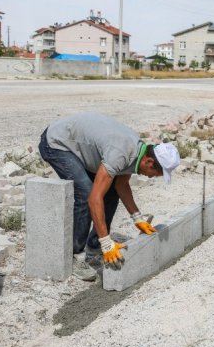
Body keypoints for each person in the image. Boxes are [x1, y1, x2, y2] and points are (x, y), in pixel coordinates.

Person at [38, 112, 181, 280]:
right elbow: (94, 199)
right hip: (57, 143)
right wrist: (108, 242)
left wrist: (138, 218)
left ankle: (94, 245)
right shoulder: (121, 153)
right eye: (154, 174)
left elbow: (121, 185)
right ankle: (75, 255)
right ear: (149, 162)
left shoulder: (136, 152)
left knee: (111, 191)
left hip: (78, 143)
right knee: (86, 193)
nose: (150, 177)